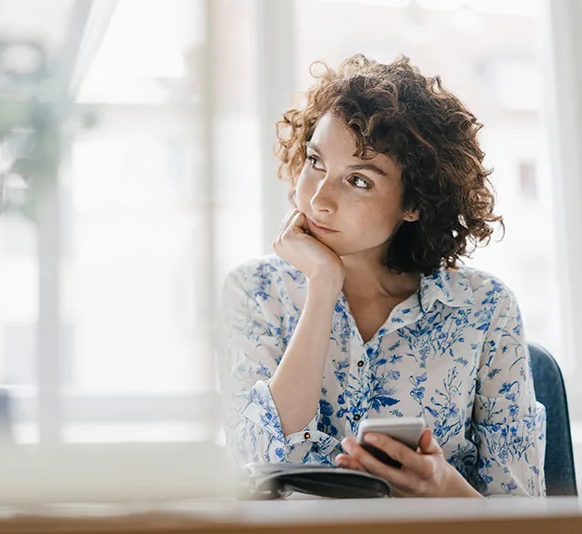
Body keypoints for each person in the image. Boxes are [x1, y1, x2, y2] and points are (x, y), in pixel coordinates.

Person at [216, 54, 546, 498]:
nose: (318, 199)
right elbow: (261, 467)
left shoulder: (485, 309)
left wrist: (444, 488)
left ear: (414, 203)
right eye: (316, 162)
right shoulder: (255, 292)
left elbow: (526, 515)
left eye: (359, 181)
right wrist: (322, 286)